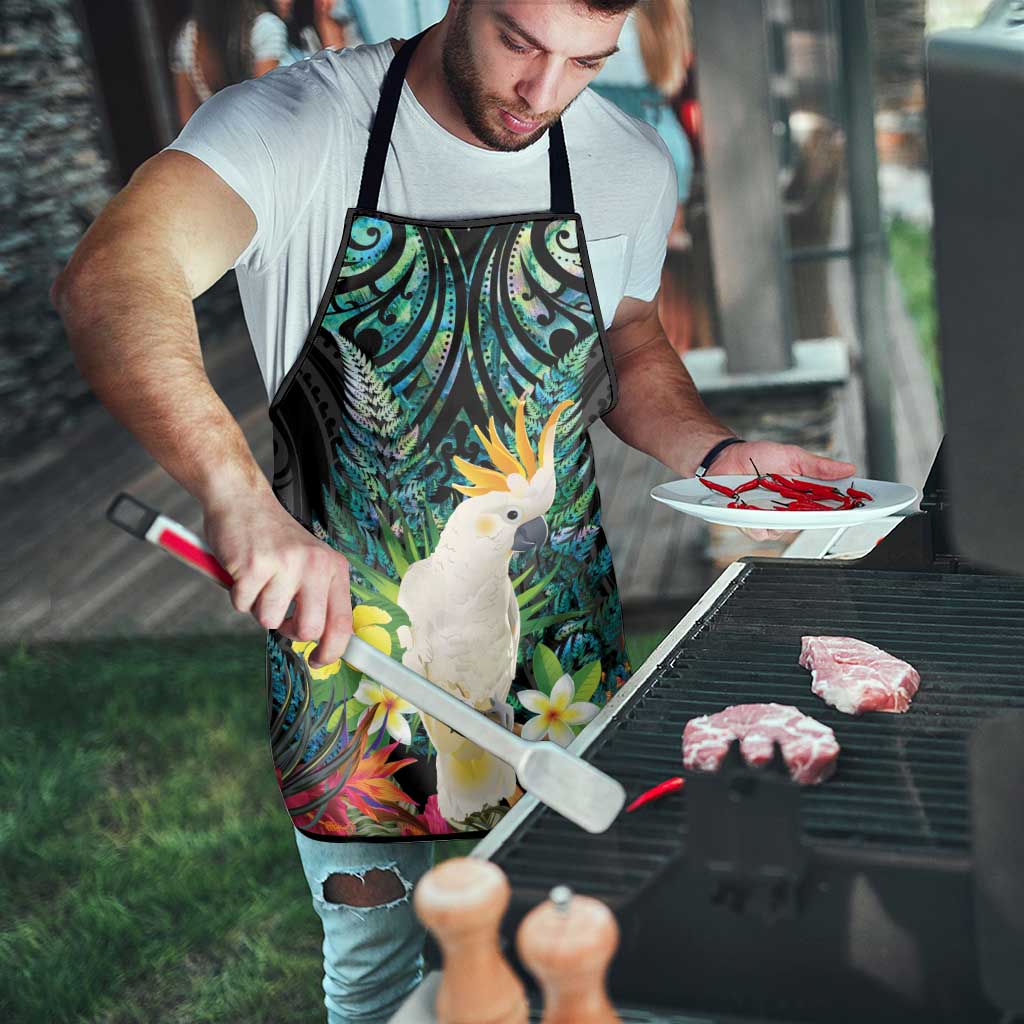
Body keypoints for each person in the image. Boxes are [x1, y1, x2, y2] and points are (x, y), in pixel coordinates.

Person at [53, 2, 856, 1020]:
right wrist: (237, 499)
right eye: (521, 42)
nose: (543, 93)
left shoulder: (624, 159)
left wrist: (718, 449)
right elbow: (113, 275)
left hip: (559, 662)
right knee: (381, 979)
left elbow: (631, 340)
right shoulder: (297, 125)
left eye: (585, 62)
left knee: (581, 952)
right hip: (354, 669)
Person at [169, 0, 289, 126]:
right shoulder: (266, 27)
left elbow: (187, 120)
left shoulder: (188, 37)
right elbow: (266, 107)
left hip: (215, 139)